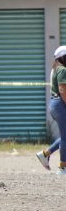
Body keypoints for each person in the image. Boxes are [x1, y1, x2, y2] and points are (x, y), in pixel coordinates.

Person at [36, 46, 66, 174]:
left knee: (65, 136)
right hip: (60, 104)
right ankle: (63, 167)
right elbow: (62, 90)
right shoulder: (62, 69)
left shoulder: (55, 69)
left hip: (55, 104)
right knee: (65, 137)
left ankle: (45, 154)